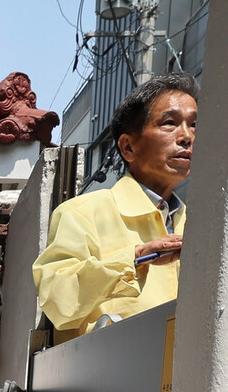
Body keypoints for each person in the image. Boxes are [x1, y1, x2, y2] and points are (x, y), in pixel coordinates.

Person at [33, 73, 198, 341]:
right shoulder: (82, 213)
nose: (186, 136)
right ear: (128, 146)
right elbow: (57, 305)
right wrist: (136, 258)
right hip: (110, 378)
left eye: (194, 125)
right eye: (169, 123)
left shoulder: (200, 223)